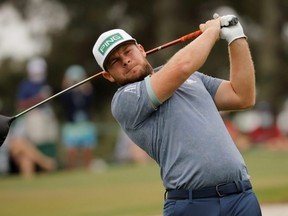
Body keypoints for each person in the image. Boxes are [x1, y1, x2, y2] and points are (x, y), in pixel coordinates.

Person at [92, 14, 261, 216]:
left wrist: (235, 36)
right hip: (192, 205)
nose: (125, 61)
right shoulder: (124, 100)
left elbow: (242, 96)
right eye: (114, 61)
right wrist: (212, 32)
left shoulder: (192, 78)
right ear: (108, 75)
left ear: (141, 50)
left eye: (128, 51)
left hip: (241, 197)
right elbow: (182, 67)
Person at [9, 57, 58, 178]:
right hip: (32, 122)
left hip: (45, 120)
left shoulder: (44, 82)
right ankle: (47, 164)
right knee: (24, 152)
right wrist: (39, 98)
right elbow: (20, 104)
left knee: (28, 157)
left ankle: (42, 170)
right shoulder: (26, 85)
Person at [60, 65, 97, 169]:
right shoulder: (67, 94)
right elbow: (65, 102)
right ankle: (71, 169)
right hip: (72, 125)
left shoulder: (85, 92)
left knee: (87, 148)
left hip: (85, 124)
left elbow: (90, 101)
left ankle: (88, 167)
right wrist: (66, 86)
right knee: (71, 150)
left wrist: (85, 85)